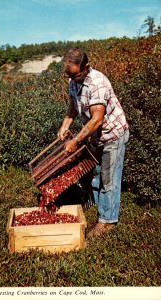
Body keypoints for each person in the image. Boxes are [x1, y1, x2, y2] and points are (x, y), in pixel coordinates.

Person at [58, 47, 129, 237]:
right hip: (95, 136)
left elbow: (97, 119)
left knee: (110, 178)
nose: (73, 79)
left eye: (76, 75)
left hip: (111, 134)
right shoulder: (74, 81)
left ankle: (107, 221)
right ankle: (96, 202)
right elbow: (73, 106)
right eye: (69, 75)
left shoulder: (98, 83)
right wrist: (65, 124)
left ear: (86, 67)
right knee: (96, 171)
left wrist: (76, 141)